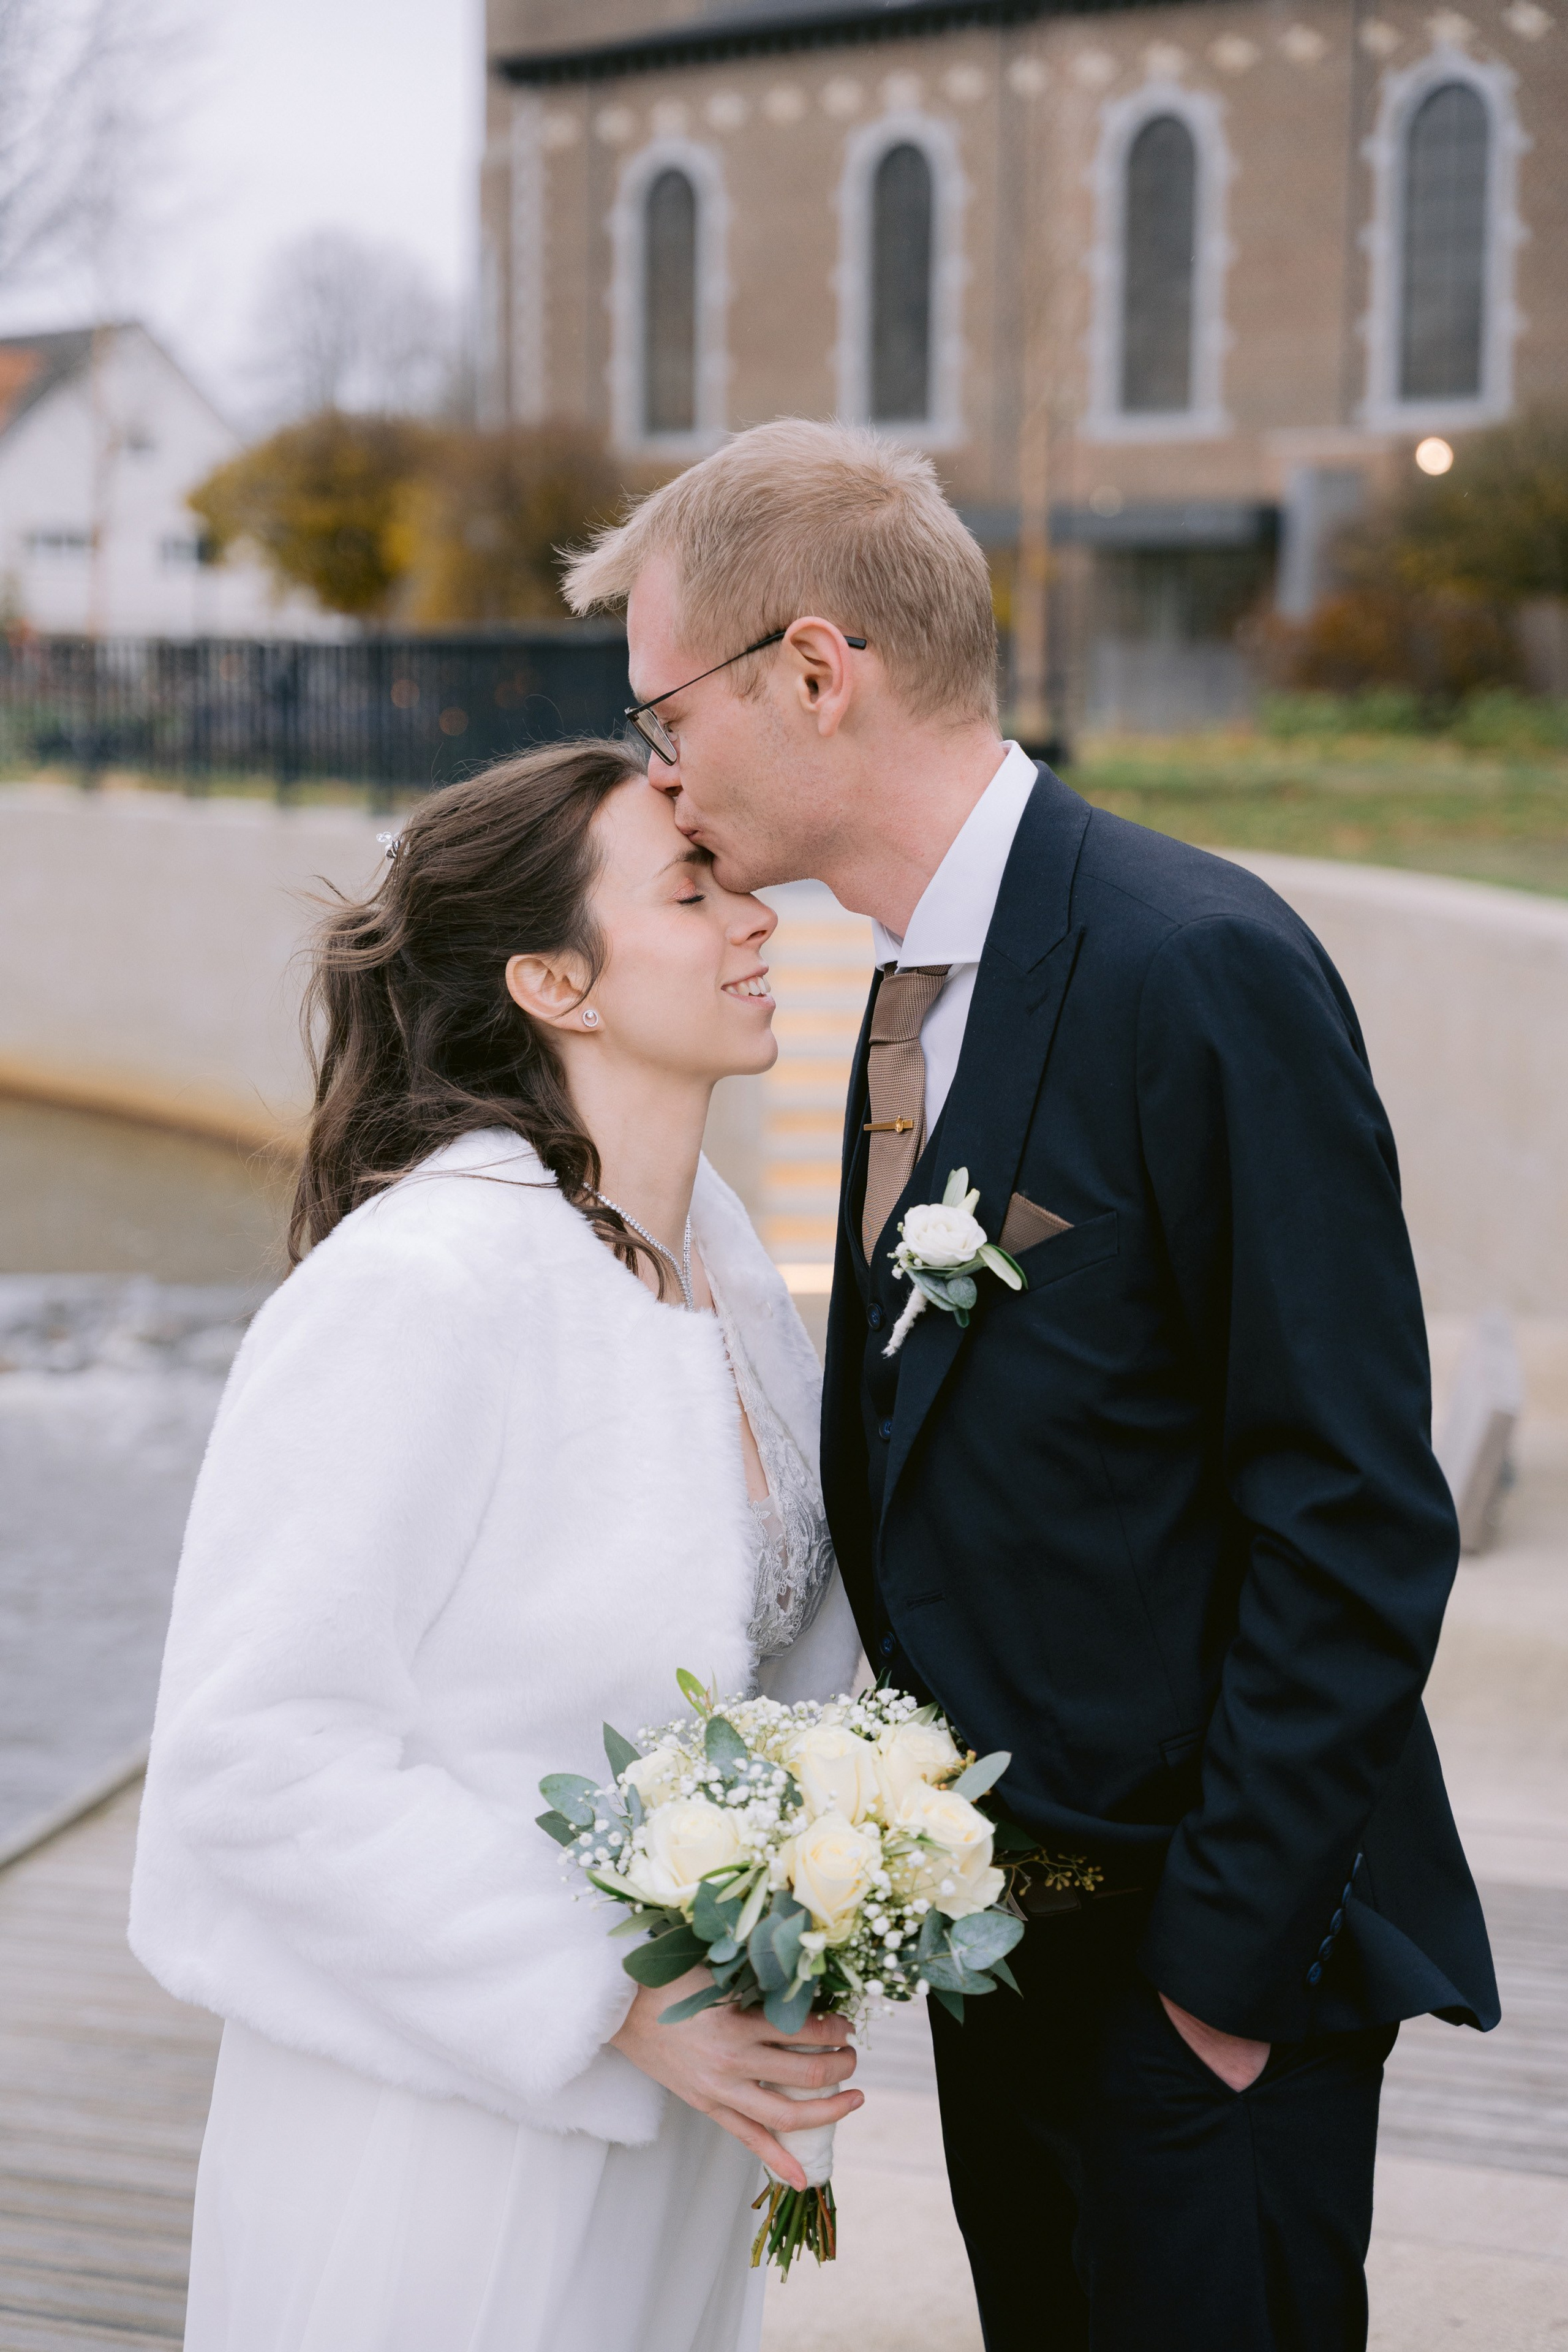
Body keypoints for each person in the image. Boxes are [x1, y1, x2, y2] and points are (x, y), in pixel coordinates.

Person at [565, 420, 1499, 2350]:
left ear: (817, 673)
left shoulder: (1197, 968)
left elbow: (1353, 1509)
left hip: (1208, 1985)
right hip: (1017, 1973)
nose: (659, 766)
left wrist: (1219, 1992)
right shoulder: (906, 999)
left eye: (665, 707)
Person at [129, 741, 865, 2352]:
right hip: (442, 2133)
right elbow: (255, 1752)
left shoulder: (728, 1274)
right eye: (691, 890)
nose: (757, 921)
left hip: (677, 2126)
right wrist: (609, 1997)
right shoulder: (423, 1289)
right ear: (554, 979)